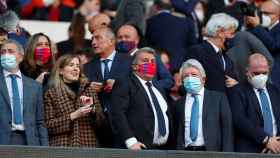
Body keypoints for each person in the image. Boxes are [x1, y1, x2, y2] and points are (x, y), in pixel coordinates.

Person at [111, 47, 173, 150]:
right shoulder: (125, 84)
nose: (150, 64)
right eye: (145, 61)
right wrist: (131, 142)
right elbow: (118, 114)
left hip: (163, 149)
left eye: (153, 61)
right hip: (138, 149)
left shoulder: (158, 89)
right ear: (134, 66)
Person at [84, 27, 132, 147]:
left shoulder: (129, 61)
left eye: (98, 38)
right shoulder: (87, 67)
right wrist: (89, 87)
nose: (93, 42)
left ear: (111, 41)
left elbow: (137, 85)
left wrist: (117, 83)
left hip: (126, 122)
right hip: (98, 126)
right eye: (92, 39)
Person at [44, 54, 105, 147]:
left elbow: (102, 123)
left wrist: (92, 110)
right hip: (62, 146)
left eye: (77, 66)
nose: (76, 68)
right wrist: (74, 115)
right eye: (71, 65)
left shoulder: (89, 89)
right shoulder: (51, 93)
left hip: (88, 146)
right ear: (60, 71)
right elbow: (48, 126)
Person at [175, 59, 233, 151]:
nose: (190, 78)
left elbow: (227, 130)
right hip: (185, 152)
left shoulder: (218, 99)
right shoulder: (178, 104)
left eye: (194, 75)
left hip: (211, 152)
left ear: (203, 79)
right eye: (186, 76)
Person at [228, 53, 280, 153]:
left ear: (269, 71)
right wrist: (266, 140)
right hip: (250, 149)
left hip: (276, 149)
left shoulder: (274, 91)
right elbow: (240, 120)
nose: (261, 76)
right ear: (247, 71)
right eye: (256, 73)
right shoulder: (237, 91)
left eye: (264, 73)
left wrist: (276, 142)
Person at [0, 39, 48, 145]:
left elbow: (40, 121)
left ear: (21, 57)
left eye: (10, 51)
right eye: (3, 52)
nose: (6, 55)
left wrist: (45, 149)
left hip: (29, 141)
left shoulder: (34, 86)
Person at [185, 13, 239, 92]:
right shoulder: (197, 52)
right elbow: (191, 82)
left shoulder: (227, 58)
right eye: (231, 33)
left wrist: (236, 84)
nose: (233, 37)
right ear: (220, 32)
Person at [116, 24, 174, 91]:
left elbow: (168, 80)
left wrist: (149, 87)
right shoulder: (114, 59)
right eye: (120, 37)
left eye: (127, 37)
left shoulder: (151, 56)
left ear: (137, 39)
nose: (123, 40)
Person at [146, 0, 197, 72]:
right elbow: (193, 46)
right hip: (180, 66)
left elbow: (146, 45)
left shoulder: (149, 23)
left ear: (155, 7)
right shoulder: (186, 22)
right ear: (172, 9)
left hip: (157, 66)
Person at [245, 0, 280, 89]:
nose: (263, 16)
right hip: (256, 76)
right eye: (261, 13)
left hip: (275, 77)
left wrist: (257, 26)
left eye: (267, 13)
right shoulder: (258, 28)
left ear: (278, 15)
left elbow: (274, 45)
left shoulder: (259, 28)